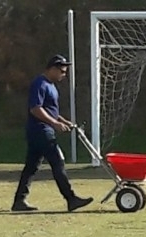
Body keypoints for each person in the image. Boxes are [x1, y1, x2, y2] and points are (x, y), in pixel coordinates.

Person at [11, 54, 93, 212]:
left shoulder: (52, 86)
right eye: (62, 71)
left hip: (42, 129)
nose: (64, 74)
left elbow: (50, 110)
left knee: (31, 167)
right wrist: (54, 123)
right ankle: (71, 199)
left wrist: (63, 121)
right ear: (53, 68)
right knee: (57, 160)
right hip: (40, 130)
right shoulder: (39, 83)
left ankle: (19, 201)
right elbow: (35, 108)